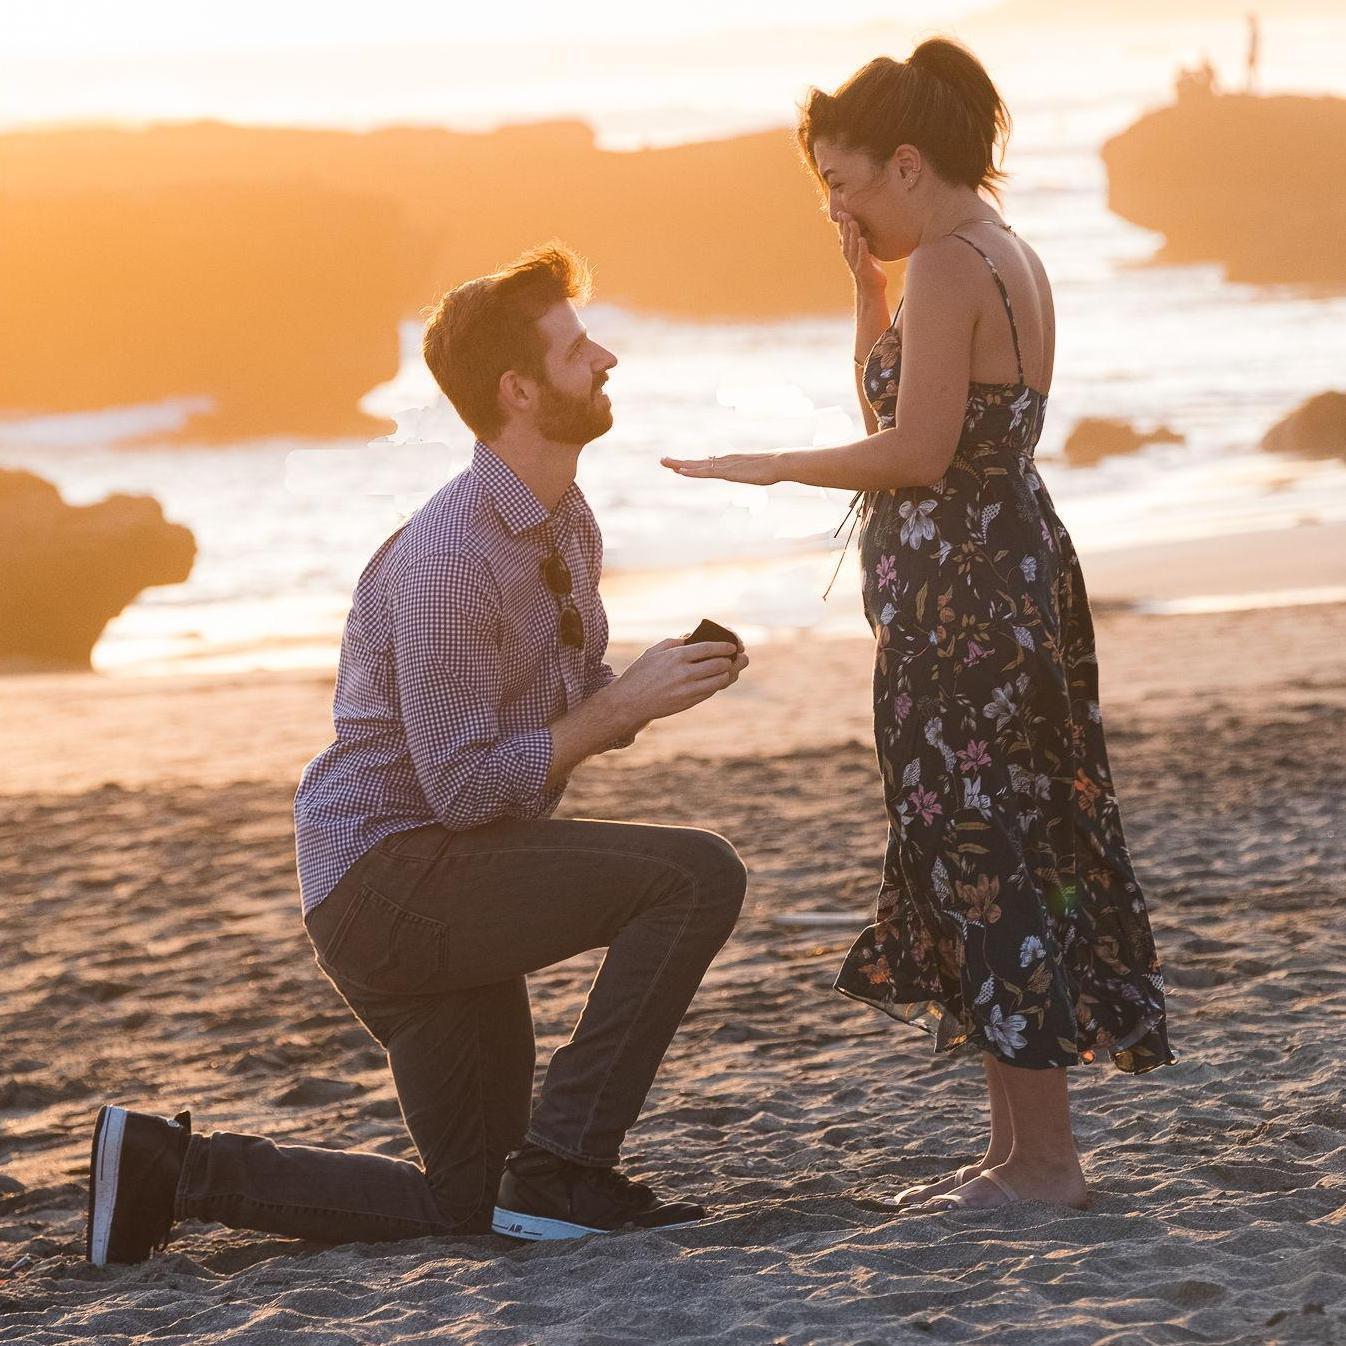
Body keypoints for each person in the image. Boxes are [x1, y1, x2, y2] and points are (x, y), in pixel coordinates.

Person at [85, 245, 751, 1266]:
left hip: (439, 875)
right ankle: (566, 1164)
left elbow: (555, 707)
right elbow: (467, 788)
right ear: (517, 390)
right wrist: (618, 710)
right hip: (390, 880)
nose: (606, 359)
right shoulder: (448, 559)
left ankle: (170, 1169)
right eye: (578, 348)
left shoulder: (563, 519)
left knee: (473, 1205)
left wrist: (651, 685)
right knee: (696, 874)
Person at [663, 38, 1174, 1214]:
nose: (835, 208)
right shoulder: (987, 248)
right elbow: (897, 407)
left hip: (967, 604)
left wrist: (769, 466)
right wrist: (864, 293)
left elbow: (915, 451)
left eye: (841, 183)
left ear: (902, 163)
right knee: (974, 845)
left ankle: (1043, 1164)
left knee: (985, 850)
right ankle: (1011, 1151)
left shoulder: (951, 261)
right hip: (993, 579)